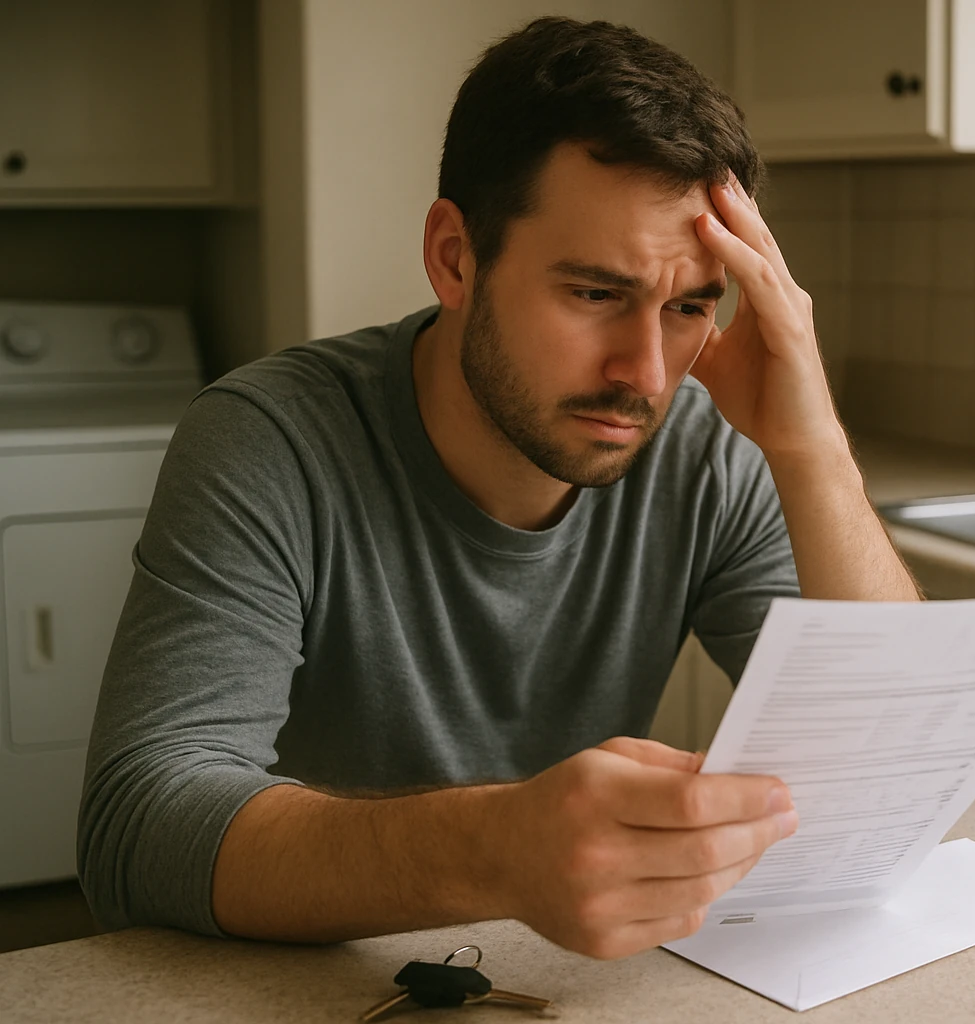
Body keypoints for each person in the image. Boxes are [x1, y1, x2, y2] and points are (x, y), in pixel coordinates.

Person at [78, 17, 919, 959]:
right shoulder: (271, 439)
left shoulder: (706, 449)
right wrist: (494, 849)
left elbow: (892, 760)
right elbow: (136, 825)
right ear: (454, 258)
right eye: (596, 293)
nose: (644, 374)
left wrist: (813, 450)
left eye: (689, 307)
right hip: (314, 979)